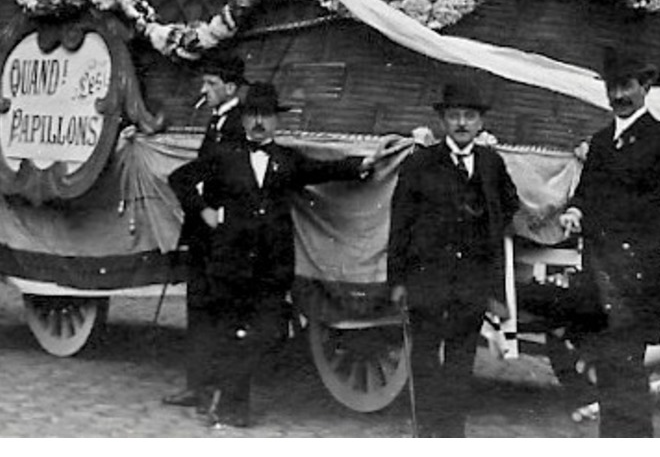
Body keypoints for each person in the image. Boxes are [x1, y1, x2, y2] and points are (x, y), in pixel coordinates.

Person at [168, 82, 377, 428]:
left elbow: (324, 171)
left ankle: (225, 391)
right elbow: (181, 179)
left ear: (276, 121)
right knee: (230, 331)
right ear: (244, 119)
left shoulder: (287, 160)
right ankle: (233, 406)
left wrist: (362, 164)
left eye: (265, 116)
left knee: (270, 333)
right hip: (230, 263)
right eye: (252, 116)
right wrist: (204, 211)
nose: (258, 123)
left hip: (272, 266)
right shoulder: (224, 156)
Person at [559, 47, 660, 437]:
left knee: (627, 367)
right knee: (606, 366)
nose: (619, 97)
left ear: (645, 86)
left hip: (635, 275)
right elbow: (585, 194)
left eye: (626, 87)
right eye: (612, 89)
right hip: (597, 269)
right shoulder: (602, 141)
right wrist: (575, 211)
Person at [386, 83, 520, 437]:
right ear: (443, 120)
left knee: (461, 360)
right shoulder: (420, 162)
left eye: (469, 116)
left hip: (471, 281)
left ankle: (451, 433)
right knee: (426, 356)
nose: (462, 122)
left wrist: (485, 229)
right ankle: (427, 430)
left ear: (480, 123)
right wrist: (397, 280)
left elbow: (510, 203)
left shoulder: (491, 163)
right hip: (426, 278)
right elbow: (399, 222)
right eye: (455, 116)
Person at [163, 53, 249, 410]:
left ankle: (211, 386)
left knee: (215, 310)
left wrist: (205, 209)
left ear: (230, 87)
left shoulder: (236, 125)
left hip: (221, 232)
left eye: (210, 83)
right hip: (205, 232)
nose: (204, 89)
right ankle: (199, 384)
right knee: (200, 308)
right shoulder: (218, 121)